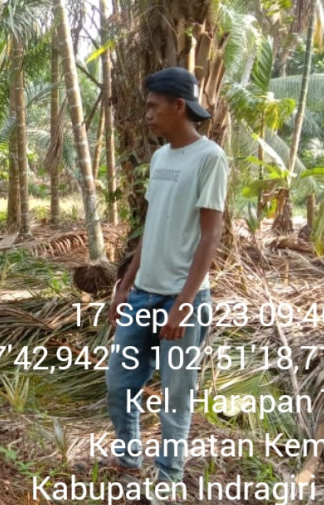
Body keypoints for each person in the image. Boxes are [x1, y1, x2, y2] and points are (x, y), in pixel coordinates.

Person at [102, 67, 227, 482]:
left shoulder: (209, 158)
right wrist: (125, 284)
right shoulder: (160, 158)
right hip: (142, 294)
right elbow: (151, 226)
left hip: (181, 299)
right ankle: (128, 456)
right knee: (120, 382)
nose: (147, 115)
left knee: (177, 392)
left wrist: (184, 303)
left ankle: (169, 475)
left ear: (179, 106)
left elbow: (211, 236)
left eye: (154, 107)